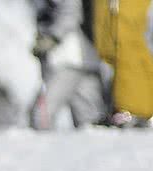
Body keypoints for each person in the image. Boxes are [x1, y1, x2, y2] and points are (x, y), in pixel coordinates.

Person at [32, 0, 109, 129]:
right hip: (87, 57)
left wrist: (52, 38)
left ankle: (41, 148)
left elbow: (71, 13)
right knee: (90, 120)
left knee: (42, 114)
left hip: (68, 58)